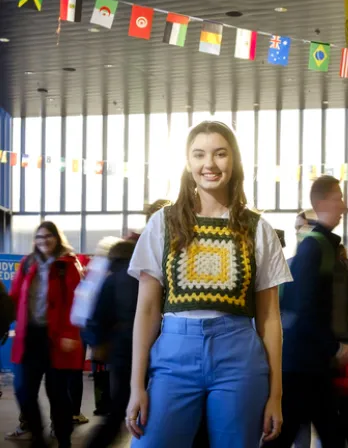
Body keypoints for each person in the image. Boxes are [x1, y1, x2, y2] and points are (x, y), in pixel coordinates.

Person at [126, 121, 292, 446]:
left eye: (220, 153)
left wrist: (276, 395)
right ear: (188, 163)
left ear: (235, 160)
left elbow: (270, 318)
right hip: (173, 356)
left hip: (239, 357)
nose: (209, 164)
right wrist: (136, 386)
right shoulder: (163, 223)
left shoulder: (258, 229)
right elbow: (146, 310)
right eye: (199, 154)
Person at [265, 175, 348, 448]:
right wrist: (334, 347)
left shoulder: (322, 246)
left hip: (312, 362)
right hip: (304, 363)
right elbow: (301, 305)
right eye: (338, 199)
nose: (344, 206)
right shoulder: (315, 247)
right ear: (322, 203)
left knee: (329, 434)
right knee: (292, 435)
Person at [9, 221, 84, 448]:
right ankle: (38, 436)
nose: (44, 241)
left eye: (48, 236)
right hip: (29, 337)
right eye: (39, 237)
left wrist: (71, 333)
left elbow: (78, 303)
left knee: (58, 395)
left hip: (57, 340)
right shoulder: (27, 263)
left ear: (57, 238)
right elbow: (14, 297)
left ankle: (63, 440)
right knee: (23, 390)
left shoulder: (68, 264)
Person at [83, 239, 138, 448]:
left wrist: (98, 342)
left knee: (118, 408)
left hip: (121, 350)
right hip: (149, 349)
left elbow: (97, 315)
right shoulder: (144, 275)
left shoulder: (112, 279)